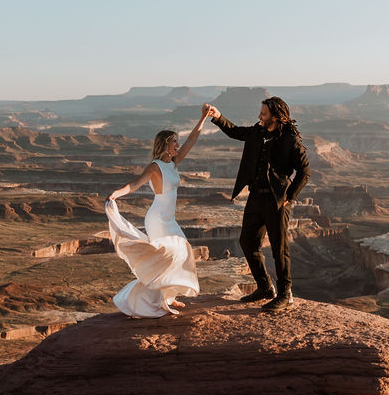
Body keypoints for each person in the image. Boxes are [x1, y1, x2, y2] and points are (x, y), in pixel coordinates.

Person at [105, 106, 213, 317]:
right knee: (166, 257)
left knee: (181, 252)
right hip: (157, 219)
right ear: (165, 145)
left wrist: (203, 118)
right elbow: (135, 183)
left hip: (169, 218)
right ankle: (148, 301)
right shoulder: (155, 166)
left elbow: (192, 140)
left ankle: (168, 296)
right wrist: (116, 194)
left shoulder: (173, 162)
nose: (178, 145)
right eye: (174, 142)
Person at [203, 96, 309, 313]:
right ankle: (264, 287)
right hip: (255, 198)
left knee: (279, 249)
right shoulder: (257, 132)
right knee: (247, 242)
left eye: (263, 114)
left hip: (277, 202)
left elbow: (304, 171)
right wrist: (218, 116)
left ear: (276, 117)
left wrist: (290, 196)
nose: (259, 117)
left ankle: (285, 294)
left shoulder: (290, 140)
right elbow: (235, 131)